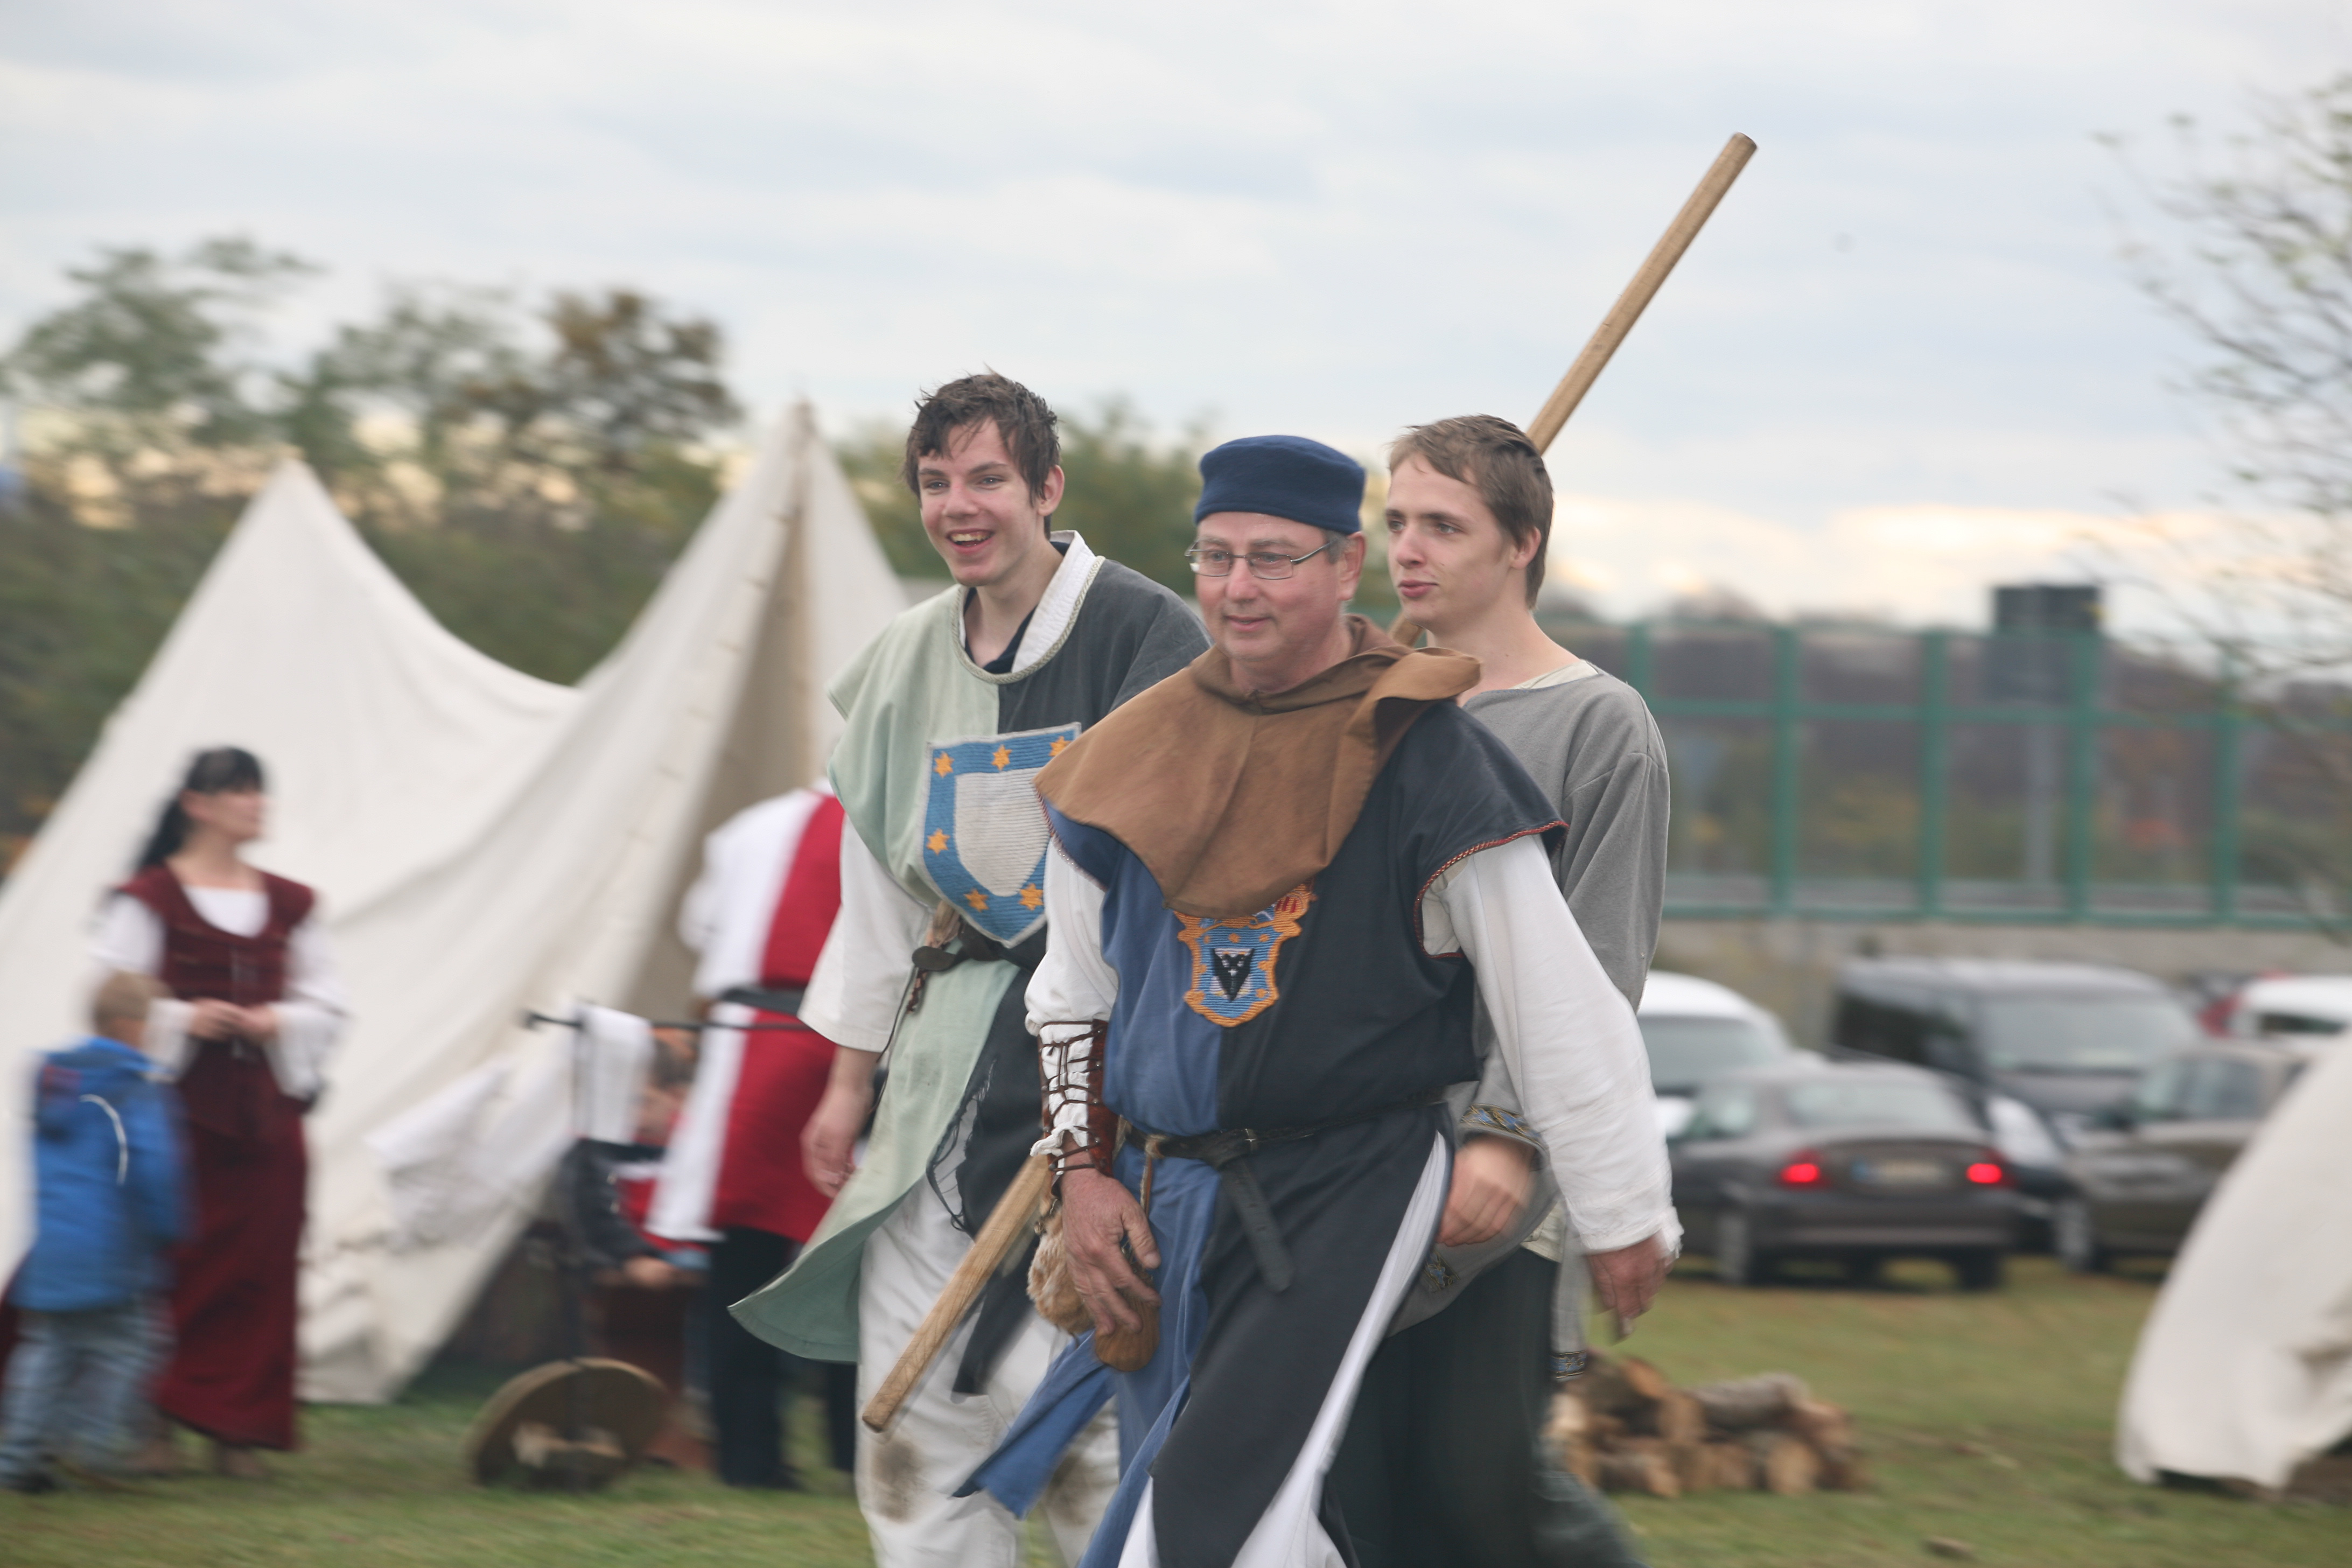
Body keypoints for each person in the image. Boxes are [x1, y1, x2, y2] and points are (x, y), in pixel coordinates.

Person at [976, 433, 1675, 1567]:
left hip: (1346, 1185)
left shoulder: (1432, 760)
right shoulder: (1126, 757)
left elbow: (1558, 1000)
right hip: (1162, 1199)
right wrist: (1084, 1173)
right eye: (1216, 557)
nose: (1238, 587)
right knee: (1262, 1515)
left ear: (1345, 567)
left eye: (1274, 558)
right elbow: (1071, 997)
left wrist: (1622, 1206)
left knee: (1206, 1518)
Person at [731, 373, 1208, 1564]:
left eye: (988, 477)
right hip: (936, 1093)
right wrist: (848, 1085)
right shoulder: (903, 660)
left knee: (1098, 1442)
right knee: (918, 1451)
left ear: (1046, 487)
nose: (960, 506)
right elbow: (879, 901)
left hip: (1104, 1091)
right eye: (937, 482)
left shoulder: (1149, 639)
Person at [1327, 414, 1672, 1566]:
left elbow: (1599, 965)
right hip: (1352, 1157)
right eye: (1397, 521)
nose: (1407, 549)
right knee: (1355, 1497)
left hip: (1496, 1176)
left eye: (1443, 524)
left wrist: (1507, 1135)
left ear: (1520, 543)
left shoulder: (1599, 725)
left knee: (1482, 1495)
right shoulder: (1368, 707)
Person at [92, 747, 347, 1477]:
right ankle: (152, 1422)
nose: (257, 803)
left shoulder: (293, 903)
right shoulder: (148, 897)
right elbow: (109, 1001)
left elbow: (330, 1003)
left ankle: (237, 1427)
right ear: (197, 805)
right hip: (172, 1111)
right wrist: (183, 1018)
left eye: (260, 791)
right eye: (240, 791)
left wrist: (276, 1022)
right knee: (167, 1259)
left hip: (265, 1113)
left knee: (260, 1265)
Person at [647, 785, 859, 1488]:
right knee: (857, 1253)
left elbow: (701, 925)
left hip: (755, 1044)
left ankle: (750, 1454)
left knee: (745, 1255)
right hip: (847, 1040)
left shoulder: (754, 823)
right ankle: (852, 1449)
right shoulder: (890, 810)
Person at [0, 972, 186, 1494]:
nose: (156, 1036)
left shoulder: (53, 1081)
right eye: (152, 1024)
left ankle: (20, 1456)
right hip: (112, 1246)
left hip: (54, 1243)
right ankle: (91, 1444)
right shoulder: (131, 1086)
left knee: (51, 1347)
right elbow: (151, 1167)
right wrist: (166, 1226)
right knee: (135, 1345)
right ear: (129, 1025)